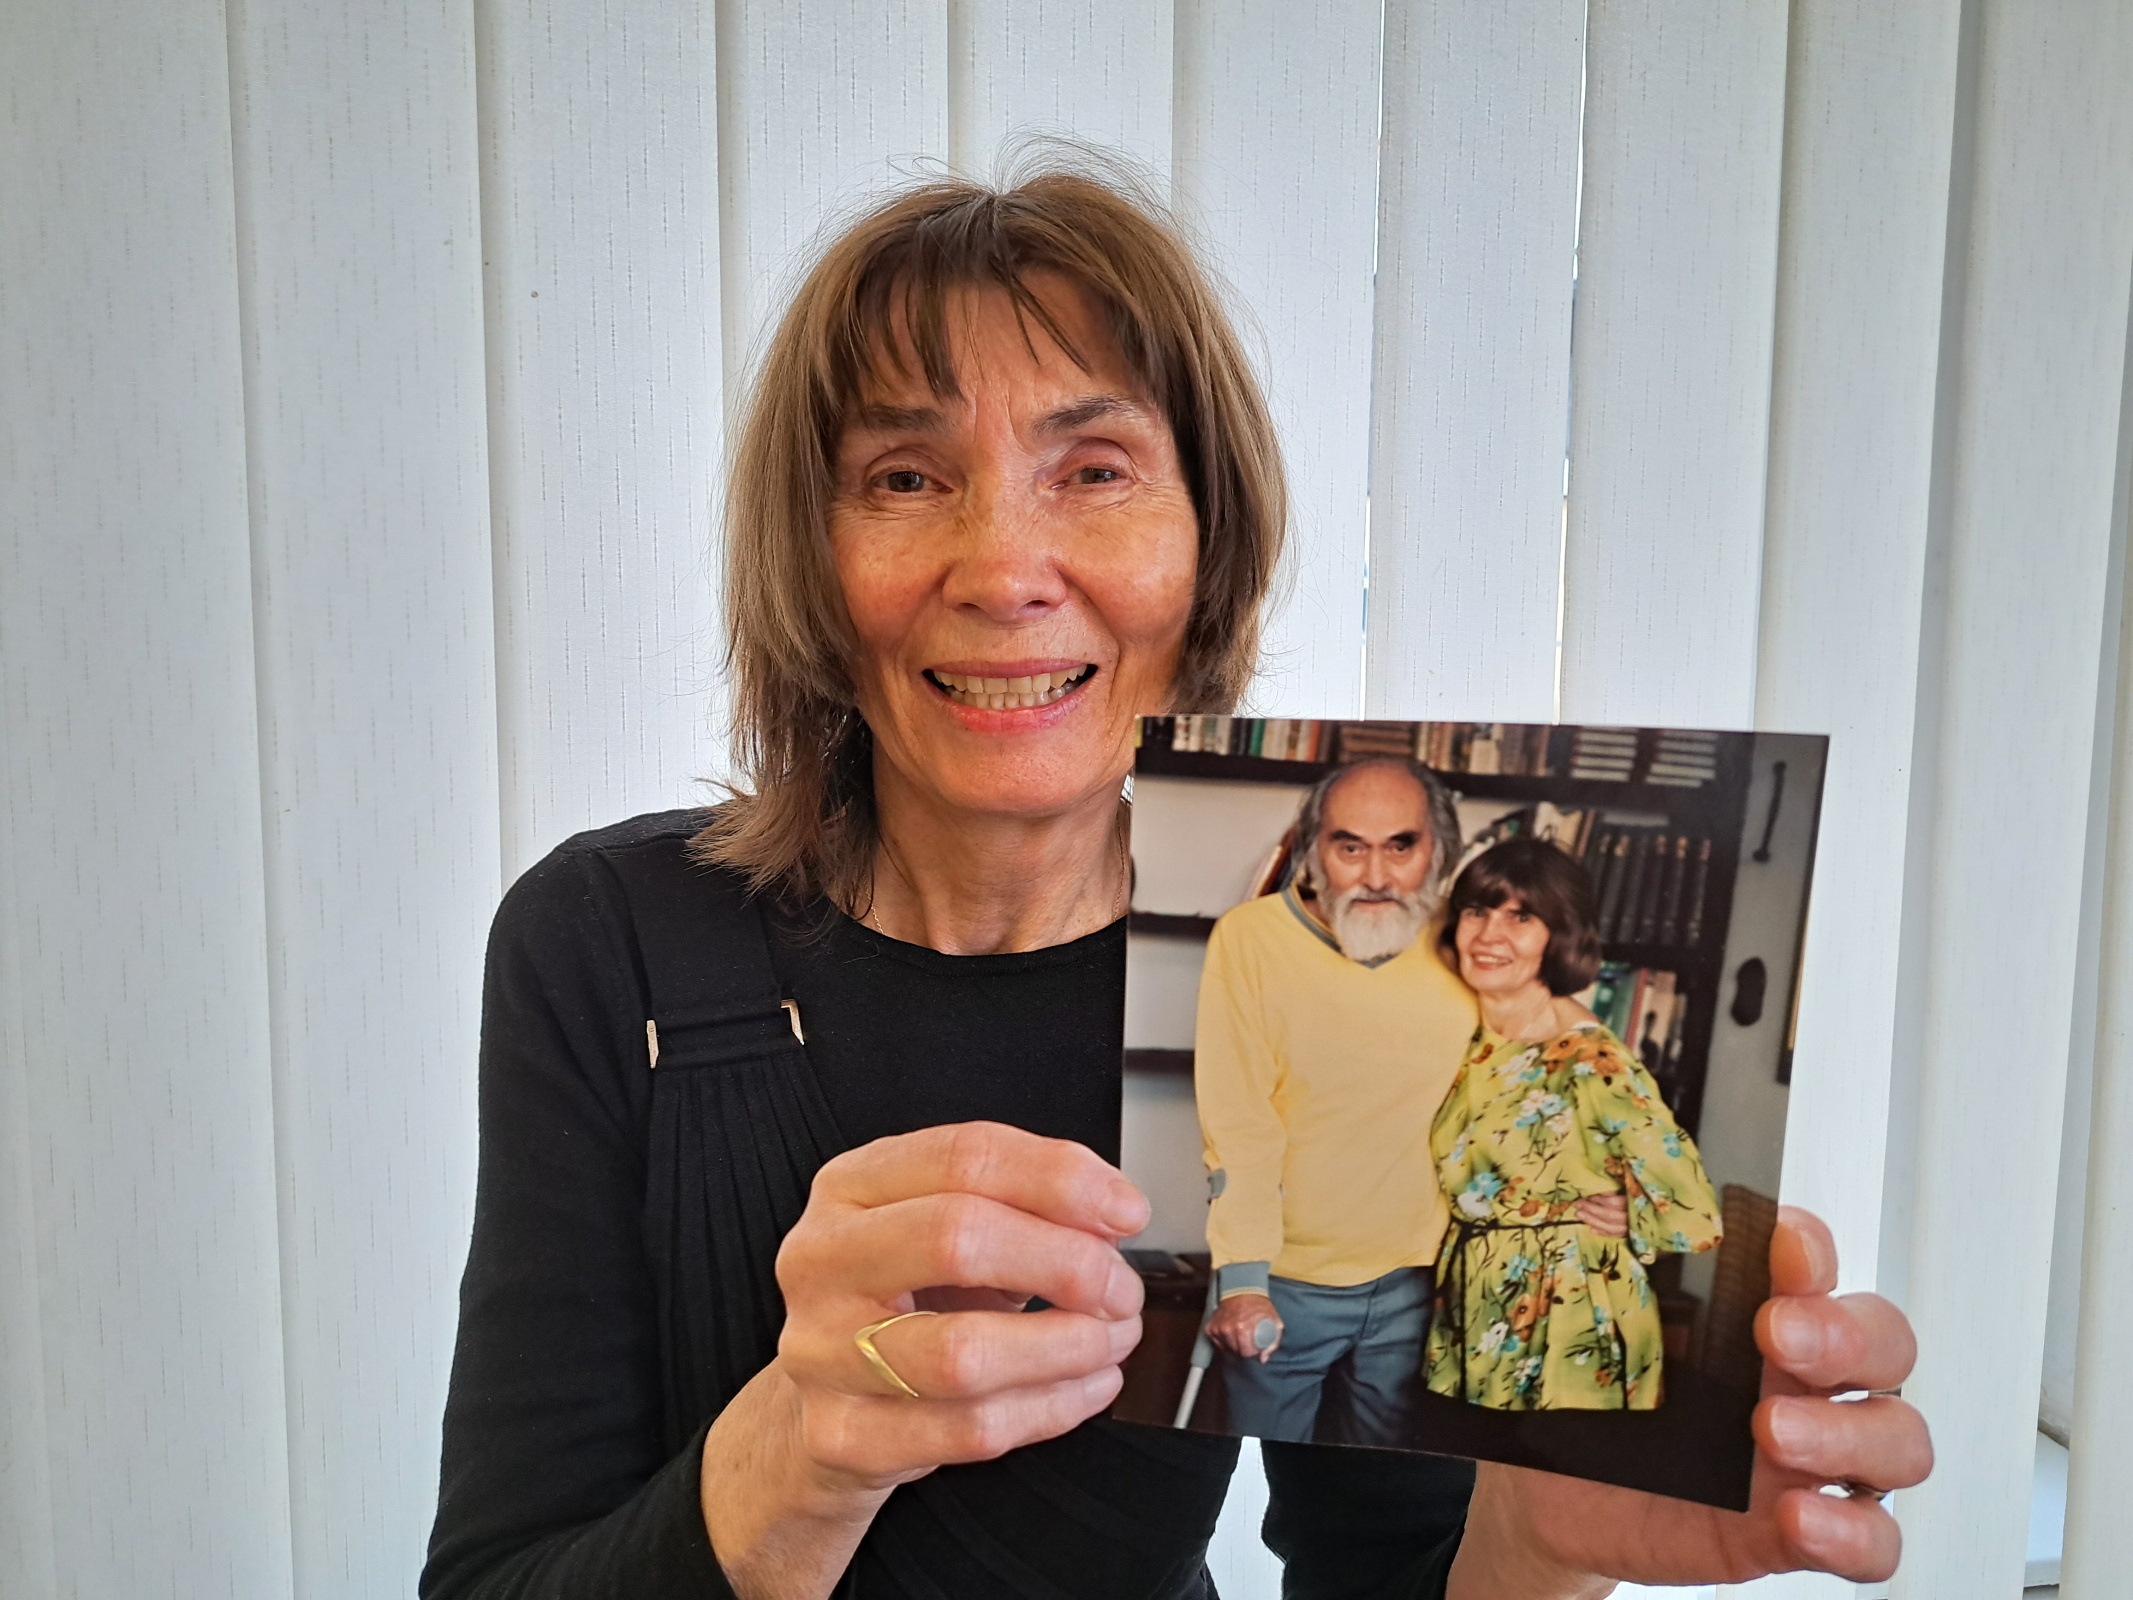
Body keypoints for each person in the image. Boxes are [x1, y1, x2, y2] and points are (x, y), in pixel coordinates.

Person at [421, 163, 1931, 1600]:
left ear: (1208, 549)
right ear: (810, 557)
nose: (1003, 567)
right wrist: (798, 1452)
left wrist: (1537, 1550)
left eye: (1094, 471)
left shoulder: (1294, 994)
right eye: (904, 475)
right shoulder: (608, 945)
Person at [1193, 757, 1484, 1445]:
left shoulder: (1473, 943)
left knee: (1381, 1490)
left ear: (1439, 851)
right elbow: (1239, 1123)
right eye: (1349, 848)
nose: (1375, 876)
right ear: (1313, 849)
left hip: (1425, 1282)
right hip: (1283, 1282)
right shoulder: (1250, 939)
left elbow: (1534, 1072)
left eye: (1401, 847)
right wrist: (1243, 1283)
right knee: (1262, 1473)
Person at [1425, 838, 1724, 1412]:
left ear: (1559, 935)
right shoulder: (1471, 1031)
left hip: (1569, 1321)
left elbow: (1695, 1213)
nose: (1489, 935)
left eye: (1521, 917)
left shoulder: (1589, 1059)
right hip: (1475, 1308)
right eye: (1477, 911)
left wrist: (1634, 1214)